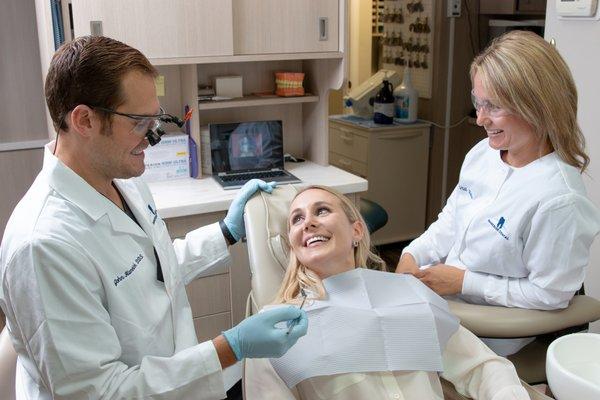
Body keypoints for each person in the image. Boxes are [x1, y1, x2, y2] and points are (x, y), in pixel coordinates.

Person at [0, 36, 307, 399]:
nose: (153, 137)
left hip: (176, 382)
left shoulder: (119, 177)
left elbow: (149, 271)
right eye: (139, 122)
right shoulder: (45, 247)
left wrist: (225, 232)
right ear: (84, 120)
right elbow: (100, 393)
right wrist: (230, 348)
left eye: (155, 119)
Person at [396, 31, 600, 354]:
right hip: (448, 312)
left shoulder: (559, 200)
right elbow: (451, 221)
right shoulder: (483, 155)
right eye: (478, 101)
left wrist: (464, 282)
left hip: (496, 337)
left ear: (536, 106)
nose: (480, 119)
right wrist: (412, 255)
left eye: (493, 106)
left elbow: (550, 295)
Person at [244, 185, 530, 400]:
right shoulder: (274, 330)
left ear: (356, 231)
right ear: (293, 245)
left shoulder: (409, 296)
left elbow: (484, 367)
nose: (308, 223)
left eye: (322, 210)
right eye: (296, 219)